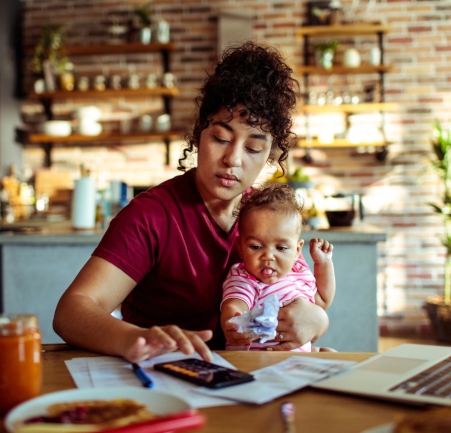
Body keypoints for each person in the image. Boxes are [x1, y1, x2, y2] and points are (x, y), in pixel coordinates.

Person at [53, 41, 330, 363]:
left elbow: (299, 296)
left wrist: (317, 321)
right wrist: (135, 338)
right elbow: (72, 311)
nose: (233, 159)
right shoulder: (152, 215)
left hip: (253, 375)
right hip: (167, 372)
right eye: (221, 139)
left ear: (271, 154)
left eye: (253, 148)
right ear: (199, 133)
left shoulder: (268, 216)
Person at [220, 183, 335, 352]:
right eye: (256, 247)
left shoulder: (299, 273)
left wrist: (323, 264)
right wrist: (232, 320)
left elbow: (322, 301)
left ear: (297, 250)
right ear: (240, 247)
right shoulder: (245, 277)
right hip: (258, 362)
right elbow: (235, 303)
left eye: (281, 248)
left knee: (330, 355)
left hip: (296, 360)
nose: (268, 256)